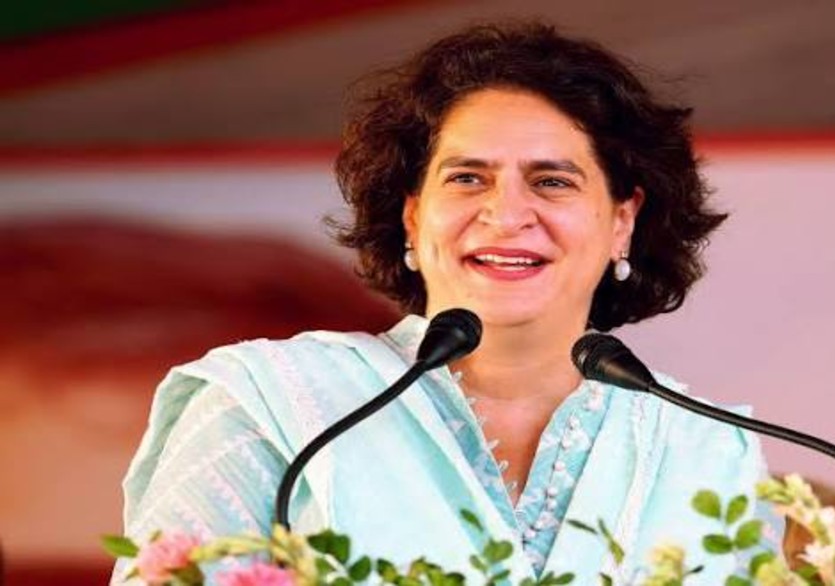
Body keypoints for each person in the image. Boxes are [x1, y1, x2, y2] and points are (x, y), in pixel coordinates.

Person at [116, 22, 777, 584]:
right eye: (467, 178)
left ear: (622, 222)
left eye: (552, 181)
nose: (506, 214)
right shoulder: (274, 406)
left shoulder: (706, 448)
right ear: (412, 216)